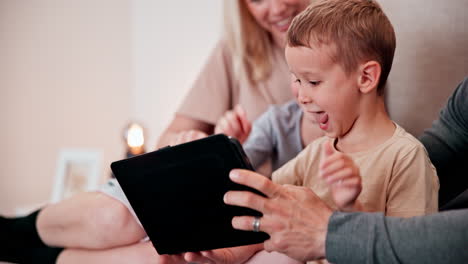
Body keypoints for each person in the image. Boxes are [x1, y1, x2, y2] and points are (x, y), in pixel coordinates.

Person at [3, 1, 312, 263]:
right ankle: (11, 231)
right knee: (111, 219)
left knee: (161, 257)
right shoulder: (239, 53)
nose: (276, 7)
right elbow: (175, 137)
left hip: (248, 215)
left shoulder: (343, 49)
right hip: (210, 195)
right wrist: (206, 142)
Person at [182, 0, 439, 263]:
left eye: (313, 82)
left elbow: (407, 251)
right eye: (296, 80)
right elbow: (266, 211)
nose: (301, 97)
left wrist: (352, 209)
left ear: (365, 78)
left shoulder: (406, 158)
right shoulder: (318, 152)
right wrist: (225, 256)